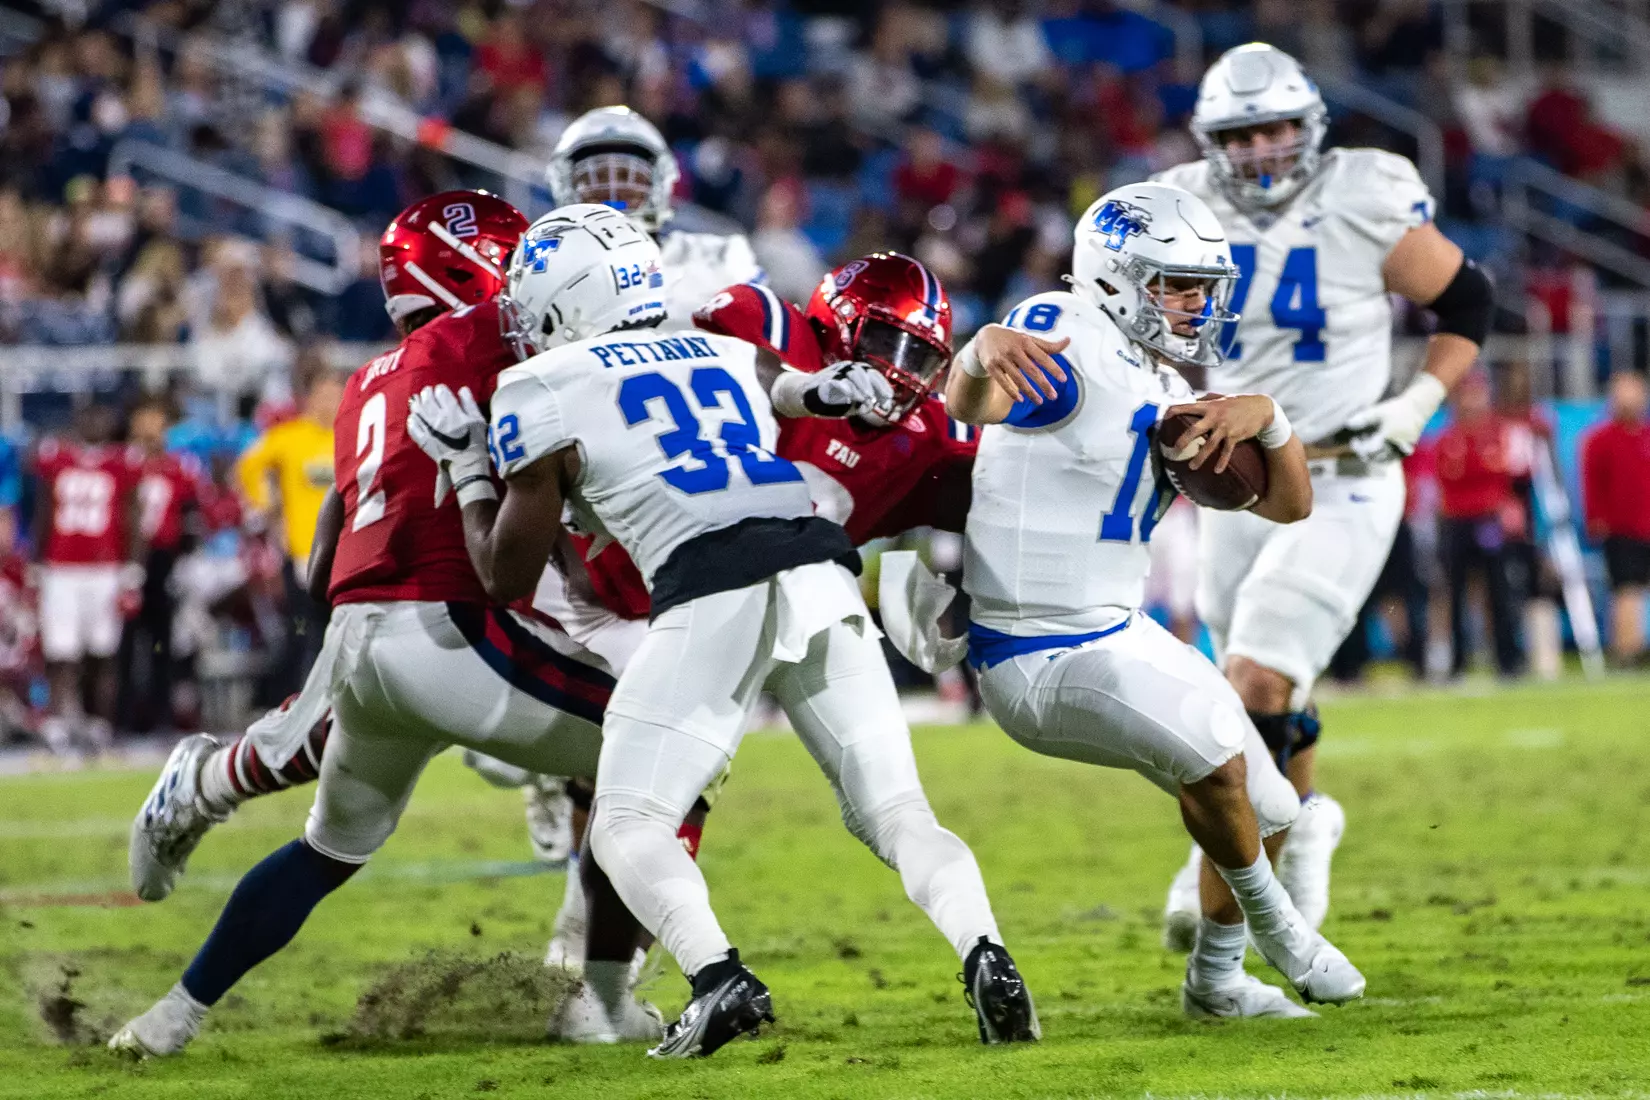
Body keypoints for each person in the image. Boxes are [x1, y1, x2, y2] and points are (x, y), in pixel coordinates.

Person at [414, 202, 1036, 1058]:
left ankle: (718, 978)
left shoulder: (536, 386)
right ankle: (987, 952)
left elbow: (505, 576)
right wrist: (816, 390)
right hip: (822, 570)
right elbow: (776, 380)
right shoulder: (716, 348)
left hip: (710, 584)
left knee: (627, 824)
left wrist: (462, 468)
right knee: (896, 810)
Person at [110, 192, 646, 1060]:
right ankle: (604, 1000)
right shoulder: (493, 343)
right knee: (662, 753)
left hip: (360, 640)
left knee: (327, 850)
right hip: (451, 631)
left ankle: (168, 1018)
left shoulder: (369, 381)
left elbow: (320, 568)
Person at [943, 181, 1361, 1019]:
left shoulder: (1161, 377)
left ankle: (1214, 985)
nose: (1195, 302)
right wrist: (972, 354)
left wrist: (1270, 420)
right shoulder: (1058, 329)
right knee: (1216, 764)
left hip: (1117, 632)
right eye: (1176, 284)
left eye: (1203, 286)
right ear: (1113, 276)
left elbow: (1291, 506)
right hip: (1035, 649)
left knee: (1274, 806)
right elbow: (972, 402)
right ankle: (1285, 935)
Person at [538, 253, 980, 973]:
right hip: (614, 579)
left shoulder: (927, 434)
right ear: (833, 325)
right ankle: (609, 976)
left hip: (736, 601)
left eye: (918, 354)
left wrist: (971, 602)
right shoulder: (762, 325)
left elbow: (991, 496)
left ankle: (608, 985)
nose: (898, 371)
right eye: (882, 342)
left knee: (651, 804)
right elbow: (666, 359)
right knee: (636, 796)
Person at [1151, 43, 1493, 938]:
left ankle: (1225, 900)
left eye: (1276, 128)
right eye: (1242, 132)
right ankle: (1304, 830)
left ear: (1309, 130)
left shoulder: (1363, 192)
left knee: (1255, 679)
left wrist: (1417, 401)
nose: (1262, 148)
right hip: (1234, 485)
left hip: (1344, 470)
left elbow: (1469, 303)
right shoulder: (1179, 203)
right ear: (1210, 140)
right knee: (1257, 694)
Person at [489, 104, 771, 864]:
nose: (613, 191)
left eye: (628, 175)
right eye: (596, 177)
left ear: (665, 184)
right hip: (582, 472)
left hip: (678, 478)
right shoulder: (537, 253)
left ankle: (615, 822)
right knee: (590, 650)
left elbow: (762, 357)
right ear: (563, 185)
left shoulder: (717, 259)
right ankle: (553, 769)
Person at [32, 404, 144, 755]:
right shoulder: (57, 457)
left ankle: (99, 725)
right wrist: (39, 559)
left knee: (103, 651)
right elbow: (43, 508)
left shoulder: (122, 462)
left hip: (105, 569)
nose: (95, 422)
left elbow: (132, 514)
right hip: (61, 568)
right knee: (61, 652)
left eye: (101, 416)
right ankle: (59, 724)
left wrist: (133, 565)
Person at [234, 361, 342, 701]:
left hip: (344, 551)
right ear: (308, 399)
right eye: (322, 395)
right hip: (302, 550)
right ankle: (295, 702)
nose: (329, 402)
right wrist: (266, 507)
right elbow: (247, 466)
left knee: (338, 633)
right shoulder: (289, 437)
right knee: (302, 633)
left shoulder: (352, 434)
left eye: (335, 394)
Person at [118, 397, 206, 732]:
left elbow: (191, 515)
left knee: (161, 640)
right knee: (124, 642)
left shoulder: (179, 466)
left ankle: (161, 714)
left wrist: (186, 560)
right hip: (125, 560)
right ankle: (122, 717)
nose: (152, 429)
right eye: (146, 420)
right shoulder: (123, 462)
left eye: (158, 421)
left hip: (163, 560)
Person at [1435, 372, 1524, 677]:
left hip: (1490, 521)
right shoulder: (1448, 439)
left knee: (1499, 590)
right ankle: (1458, 662)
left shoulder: (1501, 433)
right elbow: (1445, 482)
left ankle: (1508, 660)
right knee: (1456, 592)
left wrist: (1509, 506)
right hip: (1457, 522)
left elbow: (1514, 477)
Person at [1580, 370, 1650, 667]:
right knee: (1625, 588)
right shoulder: (1601, 440)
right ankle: (1626, 649)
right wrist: (1597, 517)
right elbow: (1592, 483)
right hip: (1621, 527)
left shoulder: (1646, 437)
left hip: (1646, 523)